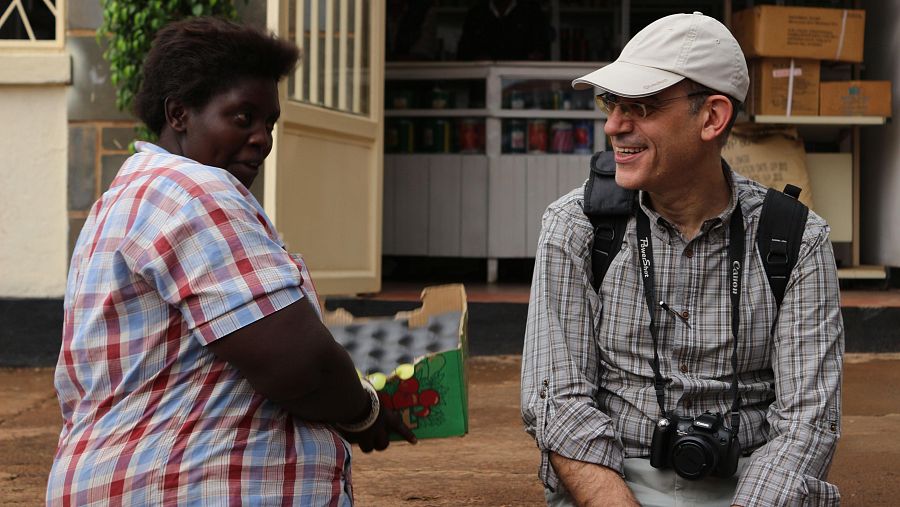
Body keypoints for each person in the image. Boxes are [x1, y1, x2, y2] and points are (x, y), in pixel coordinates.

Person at [47, 17, 415, 505]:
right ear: (179, 114)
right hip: (189, 485)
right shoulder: (195, 190)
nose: (263, 138)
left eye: (269, 124)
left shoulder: (118, 203)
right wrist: (365, 413)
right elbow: (299, 365)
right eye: (243, 118)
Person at [521, 12, 843, 507]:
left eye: (641, 106)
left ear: (712, 118)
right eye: (612, 104)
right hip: (612, 483)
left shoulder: (797, 239)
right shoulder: (577, 227)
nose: (614, 125)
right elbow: (556, 400)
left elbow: (807, 423)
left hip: (753, 486)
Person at [457, 0, 551, 61]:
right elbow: (462, 55)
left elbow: (542, 53)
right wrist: (478, 60)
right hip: (483, 85)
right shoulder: (476, 14)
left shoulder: (532, 12)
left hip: (522, 84)